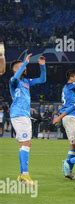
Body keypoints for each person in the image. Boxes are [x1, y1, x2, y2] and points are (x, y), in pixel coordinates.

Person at [9, 53, 47, 185]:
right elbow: (15, 76)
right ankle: (25, 174)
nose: (24, 68)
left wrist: (42, 67)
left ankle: (21, 176)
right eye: (20, 67)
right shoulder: (14, 81)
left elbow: (42, 80)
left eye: (24, 67)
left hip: (24, 115)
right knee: (26, 143)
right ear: (15, 69)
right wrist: (25, 62)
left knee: (25, 143)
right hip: (18, 115)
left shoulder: (26, 82)